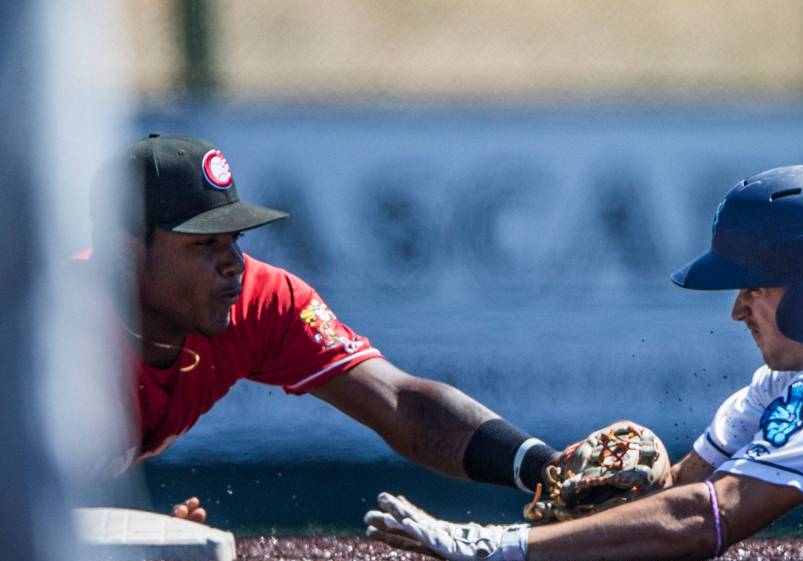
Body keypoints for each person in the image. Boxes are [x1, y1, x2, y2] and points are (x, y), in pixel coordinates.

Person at [366, 164, 803, 561]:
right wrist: (607, 507)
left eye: (754, 287)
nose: (738, 311)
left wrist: (493, 545)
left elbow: (703, 521)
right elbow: (681, 491)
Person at [88, 134, 567, 521]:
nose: (233, 263)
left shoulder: (259, 300)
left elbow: (401, 404)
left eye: (234, 238)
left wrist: (546, 468)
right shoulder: (47, 331)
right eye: (203, 243)